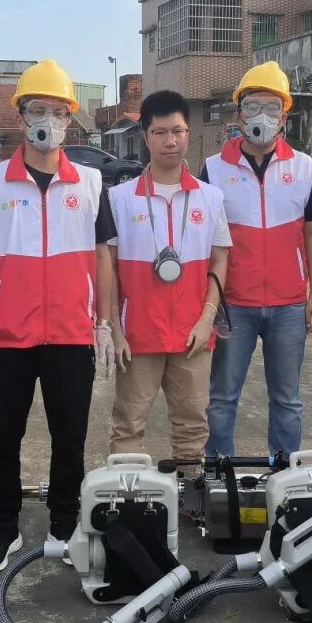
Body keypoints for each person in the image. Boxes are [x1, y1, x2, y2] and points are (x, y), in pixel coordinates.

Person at [0, 59, 116, 573]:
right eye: (36, 109)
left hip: (70, 333)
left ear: (70, 118)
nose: (47, 119)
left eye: (57, 110)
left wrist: (104, 323)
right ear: (20, 116)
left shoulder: (90, 183)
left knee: (70, 438)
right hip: (9, 335)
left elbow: (103, 257)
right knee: (4, 437)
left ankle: (65, 523)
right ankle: (2, 529)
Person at [202, 61, 312, 459]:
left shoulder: (303, 167)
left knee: (287, 399)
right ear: (238, 114)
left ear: (284, 115)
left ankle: (285, 472)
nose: (262, 116)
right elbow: (203, 240)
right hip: (234, 305)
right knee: (222, 397)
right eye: (253, 106)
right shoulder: (213, 169)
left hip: (289, 304)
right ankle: (217, 471)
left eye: (272, 107)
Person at [108, 91, 230, 460]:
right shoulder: (119, 199)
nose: (170, 141)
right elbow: (108, 269)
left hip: (192, 336)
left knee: (192, 430)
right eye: (160, 132)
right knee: (128, 426)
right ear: (145, 136)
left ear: (189, 133)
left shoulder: (210, 197)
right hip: (137, 335)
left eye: (178, 131)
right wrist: (115, 330)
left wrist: (207, 320)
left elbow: (219, 261)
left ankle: (191, 496)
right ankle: (125, 494)